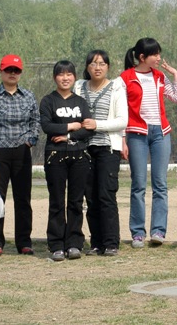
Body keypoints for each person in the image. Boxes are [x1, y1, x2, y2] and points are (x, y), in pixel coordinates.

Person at [121, 38, 177, 248]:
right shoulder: (125, 78)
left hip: (161, 133)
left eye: (159, 53)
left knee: (160, 184)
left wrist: (175, 75)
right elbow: (120, 110)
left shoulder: (159, 76)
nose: (159, 58)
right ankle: (138, 233)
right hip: (136, 133)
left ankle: (158, 231)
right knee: (138, 185)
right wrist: (122, 139)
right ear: (142, 57)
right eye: (155, 54)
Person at [0, 54, 40, 256]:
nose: (12, 74)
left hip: (22, 152)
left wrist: (31, 140)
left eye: (16, 70)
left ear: (20, 73)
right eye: (8, 70)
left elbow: (35, 121)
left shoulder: (28, 96)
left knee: (23, 199)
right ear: (1, 71)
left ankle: (24, 241)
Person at [74, 50, 128, 256]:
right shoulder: (79, 87)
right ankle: (96, 243)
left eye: (102, 64)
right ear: (87, 67)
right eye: (94, 63)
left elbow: (122, 121)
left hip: (107, 149)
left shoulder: (116, 87)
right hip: (84, 149)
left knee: (106, 195)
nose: (98, 67)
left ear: (108, 67)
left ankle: (111, 242)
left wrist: (97, 125)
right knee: (90, 197)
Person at [39, 60, 94, 261]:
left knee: (76, 201)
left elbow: (88, 128)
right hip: (55, 155)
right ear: (55, 77)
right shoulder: (48, 101)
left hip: (79, 156)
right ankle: (56, 245)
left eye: (69, 74)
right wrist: (70, 126)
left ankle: (74, 243)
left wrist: (68, 136)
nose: (65, 78)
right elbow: (47, 126)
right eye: (61, 74)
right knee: (57, 201)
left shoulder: (80, 102)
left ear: (74, 77)